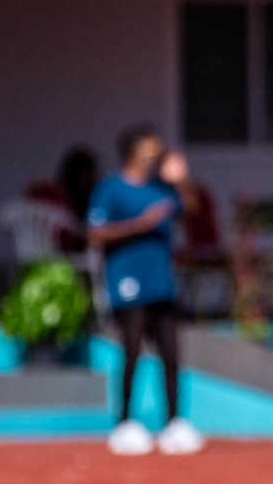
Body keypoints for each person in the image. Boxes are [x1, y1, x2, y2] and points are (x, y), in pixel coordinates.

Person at [87, 125, 204, 456]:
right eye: (152, 148)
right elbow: (95, 233)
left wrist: (182, 179)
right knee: (132, 351)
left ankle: (174, 423)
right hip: (127, 281)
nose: (158, 153)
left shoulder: (162, 189)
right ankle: (124, 422)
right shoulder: (111, 189)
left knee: (171, 354)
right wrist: (139, 225)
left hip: (161, 282)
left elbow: (193, 208)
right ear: (136, 152)